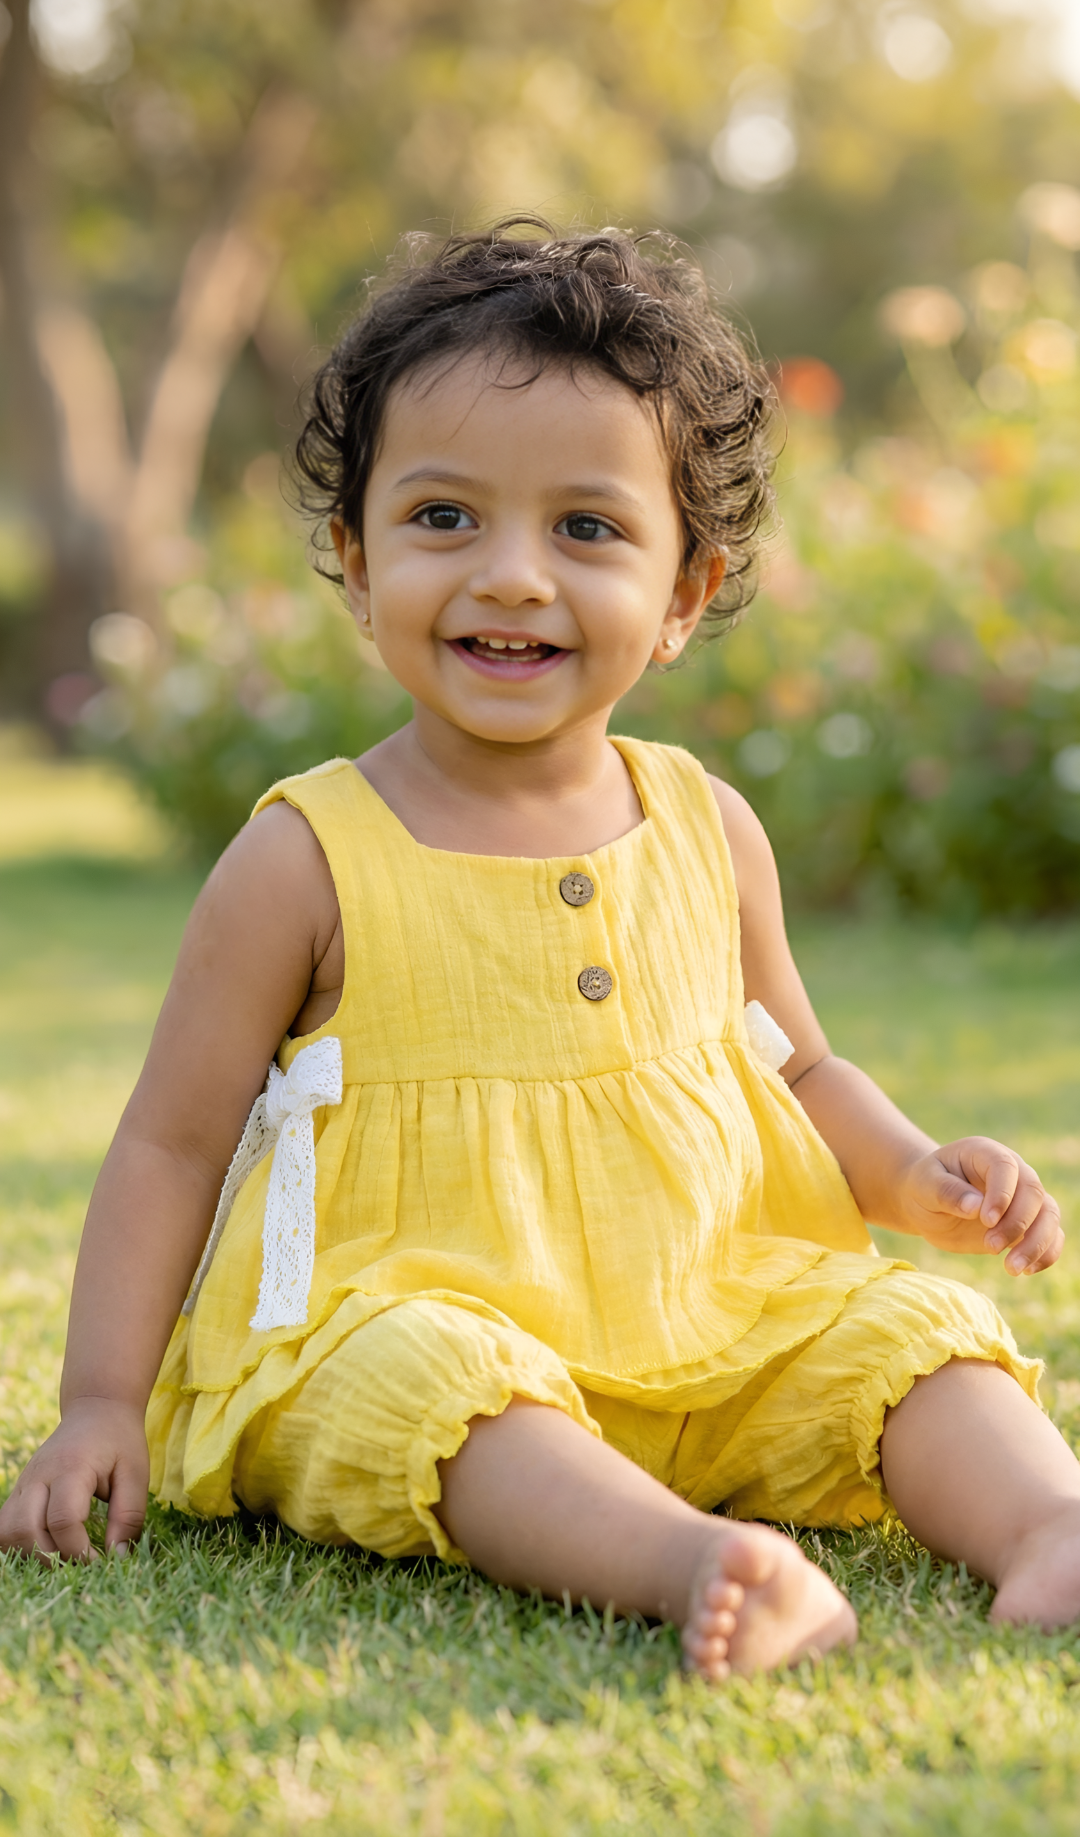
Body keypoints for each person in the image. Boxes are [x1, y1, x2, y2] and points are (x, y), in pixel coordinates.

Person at [2, 221, 1076, 1681]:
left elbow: (798, 1066)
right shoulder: (308, 857)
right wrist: (100, 1403)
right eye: (444, 517)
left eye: (586, 529)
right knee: (428, 1388)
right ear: (355, 561)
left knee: (903, 1330)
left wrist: (913, 1175)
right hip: (423, 1312)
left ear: (684, 593)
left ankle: (1049, 1524)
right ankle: (697, 1565)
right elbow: (172, 1144)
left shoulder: (707, 825)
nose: (511, 576)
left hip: (708, 1302)